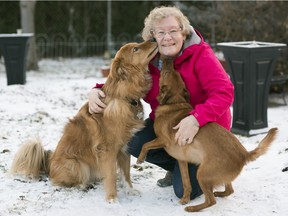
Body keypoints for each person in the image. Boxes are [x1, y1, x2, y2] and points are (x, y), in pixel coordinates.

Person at [88, 6, 234, 200]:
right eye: (161, 32)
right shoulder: (150, 59)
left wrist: (196, 119)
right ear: (152, 35)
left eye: (173, 31)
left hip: (206, 129)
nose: (168, 37)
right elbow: (123, 81)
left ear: (183, 31)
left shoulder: (201, 54)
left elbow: (224, 92)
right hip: (169, 125)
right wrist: (96, 90)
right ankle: (176, 165)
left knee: (183, 192)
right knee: (133, 141)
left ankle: (213, 168)